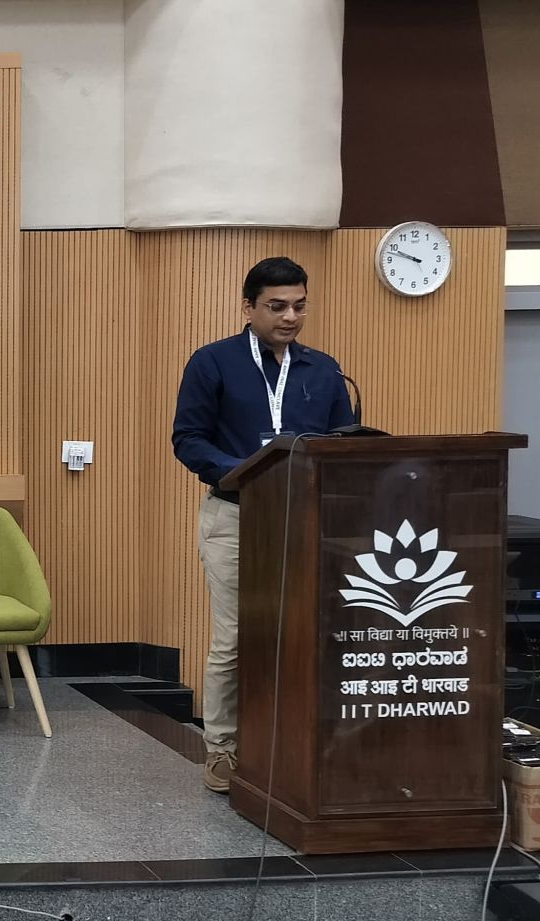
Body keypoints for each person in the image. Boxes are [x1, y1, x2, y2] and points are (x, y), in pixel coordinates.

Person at [172, 256, 356, 793]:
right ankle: (222, 749)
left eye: (299, 306)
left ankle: (295, 747)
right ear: (248, 307)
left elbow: (343, 444)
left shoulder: (324, 371)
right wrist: (246, 470)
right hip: (236, 516)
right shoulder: (213, 362)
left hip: (304, 522)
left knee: (304, 635)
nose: (290, 317)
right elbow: (188, 439)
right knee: (235, 639)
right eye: (277, 306)